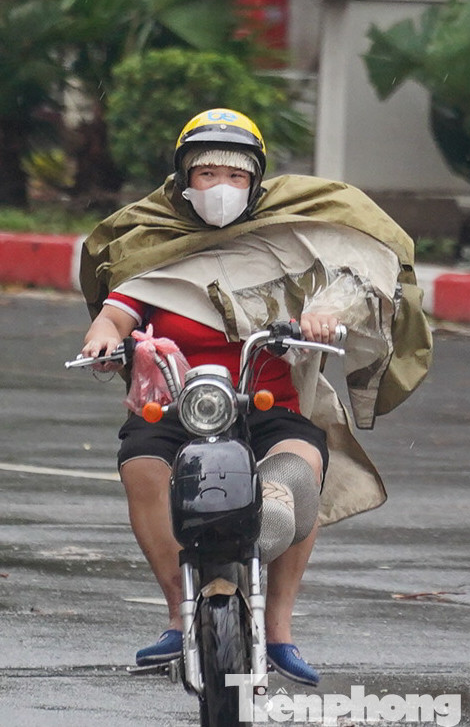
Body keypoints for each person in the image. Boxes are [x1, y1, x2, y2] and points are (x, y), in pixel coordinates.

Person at [77, 108, 432, 685]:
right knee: (141, 464)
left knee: (302, 469)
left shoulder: (289, 236)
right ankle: (177, 616)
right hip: (175, 404)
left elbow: (348, 280)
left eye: (236, 176)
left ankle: (280, 630)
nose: (221, 188)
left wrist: (322, 315)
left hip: (266, 403)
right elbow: (119, 309)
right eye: (207, 174)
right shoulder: (152, 241)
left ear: (256, 182)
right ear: (184, 180)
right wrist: (103, 336)